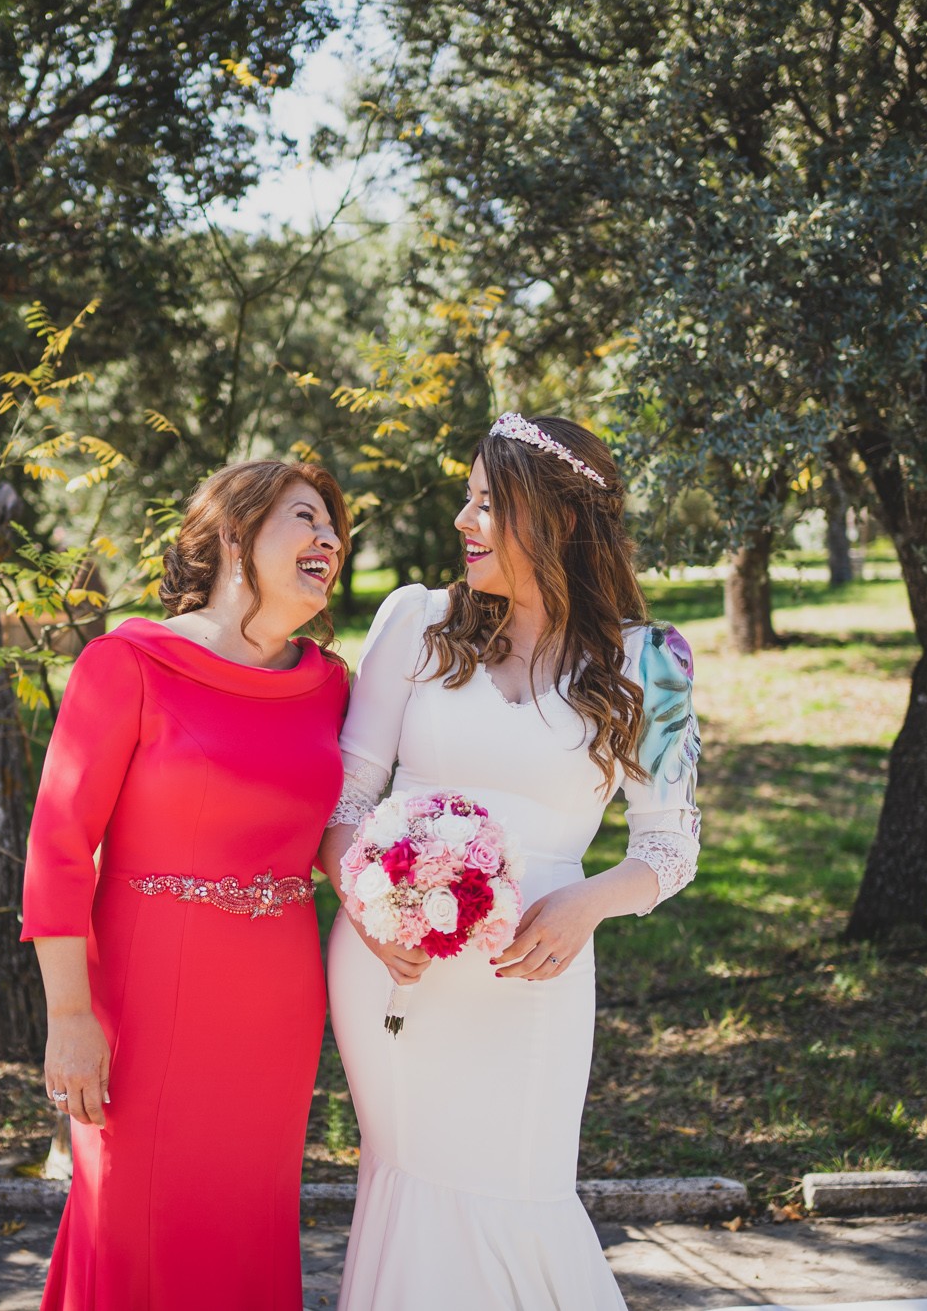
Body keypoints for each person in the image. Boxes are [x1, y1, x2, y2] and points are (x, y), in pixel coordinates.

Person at [322, 414, 702, 1309]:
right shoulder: (418, 620)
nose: (464, 519)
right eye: (468, 498)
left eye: (488, 503)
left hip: (534, 967)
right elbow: (345, 802)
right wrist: (370, 911)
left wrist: (589, 903)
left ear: (560, 520)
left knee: (517, 1184)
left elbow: (669, 844)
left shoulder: (653, 661)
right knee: (407, 1174)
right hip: (389, 964)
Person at [21, 459, 351, 1310]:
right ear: (236, 534)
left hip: (276, 1002)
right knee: (134, 1220)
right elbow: (58, 843)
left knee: (247, 1219)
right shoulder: (127, 660)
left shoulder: (330, 687)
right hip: (145, 995)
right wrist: (67, 1017)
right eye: (307, 518)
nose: (330, 539)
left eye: (334, 528)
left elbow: (338, 835)